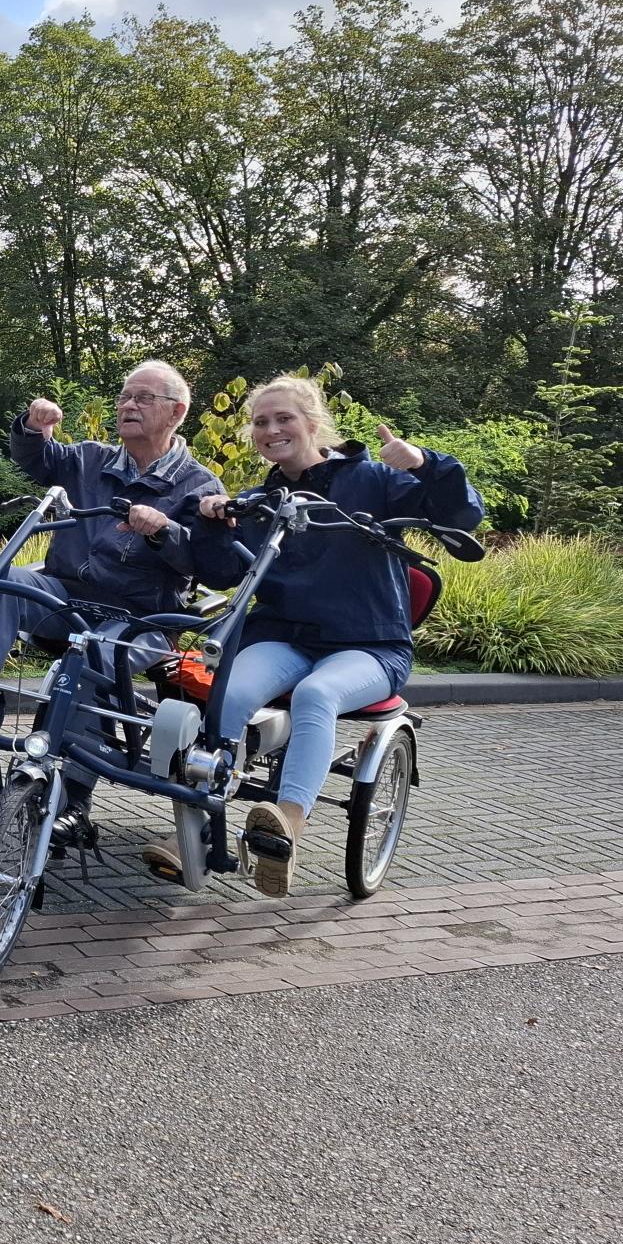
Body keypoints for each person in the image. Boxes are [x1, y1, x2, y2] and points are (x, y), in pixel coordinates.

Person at [174, 375, 484, 895]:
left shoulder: (372, 481)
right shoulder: (258, 501)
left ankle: (288, 823)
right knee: (230, 689)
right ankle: (200, 830)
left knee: (318, 694)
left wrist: (426, 465)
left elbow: (461, 514)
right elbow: (225, 574)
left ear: (313, 423)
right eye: (260, 422)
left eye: (283, 418)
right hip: (289, 637)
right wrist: (210, 524)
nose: (271, 429)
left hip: (370, 644)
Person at [0, 362, 223, 831]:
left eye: (144, 398)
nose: (128, 405)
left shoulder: (200, 485)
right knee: (7, 582)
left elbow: (210, 565)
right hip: (68, 596)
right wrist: (32, 425)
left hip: (146, 618)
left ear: (177, 412)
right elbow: (37, 458)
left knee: (93, 656)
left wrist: (165, 531)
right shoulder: (88, 457)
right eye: (125, 396)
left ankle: (73, 801)